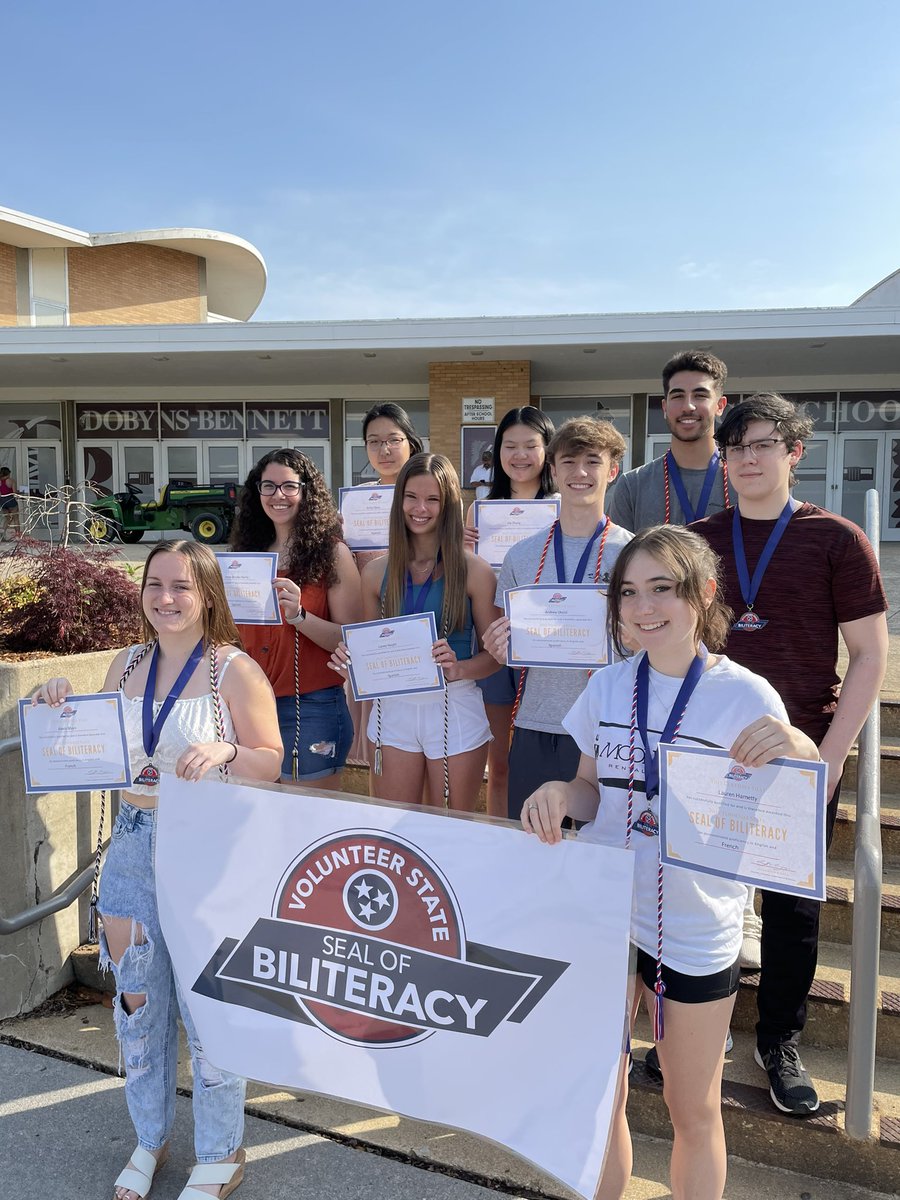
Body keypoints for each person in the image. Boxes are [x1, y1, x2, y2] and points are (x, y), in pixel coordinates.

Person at [523, 525, 821, 1200]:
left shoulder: (745, 695)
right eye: (629, 592)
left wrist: (799, 746)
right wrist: (556, 795)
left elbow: (790, 812)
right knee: (602, 1094)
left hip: (694, 925)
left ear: (703, 592)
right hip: (604, 913)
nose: (642, 606)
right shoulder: (605, 686)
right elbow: (588, 788)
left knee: (692, 1111)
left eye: (662, 588)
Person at [31, 540, 283, 1200]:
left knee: (210, 1012)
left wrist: (229, 747)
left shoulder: (233, 671)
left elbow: (271, 760)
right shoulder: (126, 663)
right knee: (138, 1004)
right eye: (154, 585)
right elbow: (91, 739)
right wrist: (57, 697)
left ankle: (221, 1152)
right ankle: (150, 1137)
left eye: (180, 586)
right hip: (135, 842)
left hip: (209, 849)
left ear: (206, 596)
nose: (165, 598)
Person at [689, 393, 889, 1116]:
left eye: (763, 445)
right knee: (697, 895)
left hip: (800, 753)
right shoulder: (697, 538)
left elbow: (869, 656)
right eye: (735, 446)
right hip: (706, 756)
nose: (747, 458)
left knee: (793, 911)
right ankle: (689, 1034)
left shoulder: (836, 540)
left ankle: (778, 1040)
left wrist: (832, 758)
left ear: (794, 453)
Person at [331, 453, 500, 811]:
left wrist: (460, 668)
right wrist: (351, 659)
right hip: (392, 711)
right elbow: (366, 649)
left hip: (454, 706)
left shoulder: (475, 572)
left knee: (452, 832)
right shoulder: (376, 573)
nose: (420, 508)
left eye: (433, 499)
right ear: (399, 500)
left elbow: (495, 657)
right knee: (397, 835)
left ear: (449, 504)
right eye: (411, 496)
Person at [483, 417, 632, 820]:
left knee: (598, 856)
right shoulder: (522, 555)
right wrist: (500, 647)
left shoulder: (635, 554)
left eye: (592, 462)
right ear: (552, 470)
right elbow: (510, 645)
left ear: (613, 470)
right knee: (532, 852)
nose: (579, 472)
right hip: (535, 724)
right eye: (568, 461)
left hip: (609, 728)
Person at [231, 449, 362, 790]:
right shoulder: (245, 555)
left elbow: (352, 639)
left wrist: (300, 616)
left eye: (289, 486)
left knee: (307, 828)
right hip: (249, 706)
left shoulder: (332, 553)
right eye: (268, 486)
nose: (278, 495)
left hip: (312, 708)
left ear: (306, 491)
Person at [463, 406, 556, 817]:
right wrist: (463, 550)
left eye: (530, 446)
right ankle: (502, 841)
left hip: (550, 648)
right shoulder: (480, 509)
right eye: (510, 445)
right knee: (499, 763)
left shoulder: (562, 505)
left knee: (554, 764)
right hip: (495, 642)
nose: (519, 455)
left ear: (547, 450)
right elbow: (467, 582)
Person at [347, 404, 426, 767]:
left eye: (393, 440)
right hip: (370, 625)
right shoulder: (357, 501)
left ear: (410, 443)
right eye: (374, 442)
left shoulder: (428, 493)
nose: (384, 450)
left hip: (419, 623)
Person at [607, 349, 730, 532]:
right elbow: (618, 558)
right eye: (678, 396)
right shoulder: (633, 486)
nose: (688, 406)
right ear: (665, 407)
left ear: (720, 406)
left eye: (700, 395)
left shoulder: (742, 480)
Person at [0, 466, 20, 540]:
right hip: (11, 500)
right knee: (16, 518)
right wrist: (20, 492)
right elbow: (14, 492)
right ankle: (18, 535)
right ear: (8, 473)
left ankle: (2, 533)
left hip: (2, 501)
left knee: (7, 518)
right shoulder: (11, 481)